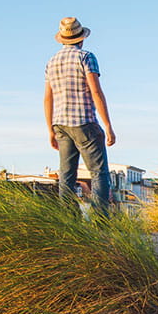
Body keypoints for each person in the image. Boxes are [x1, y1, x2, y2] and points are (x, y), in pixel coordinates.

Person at [44, 17, 116, 212]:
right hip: (84, 122)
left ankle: (69, 222)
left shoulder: (52, 62)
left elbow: (47, 98)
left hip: (60, 123)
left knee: (66, 175)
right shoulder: (86, 57)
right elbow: (96, 92)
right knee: (99, 174)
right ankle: (100, 222)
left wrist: (50, 129)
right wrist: (108, 125)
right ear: (81, 38)